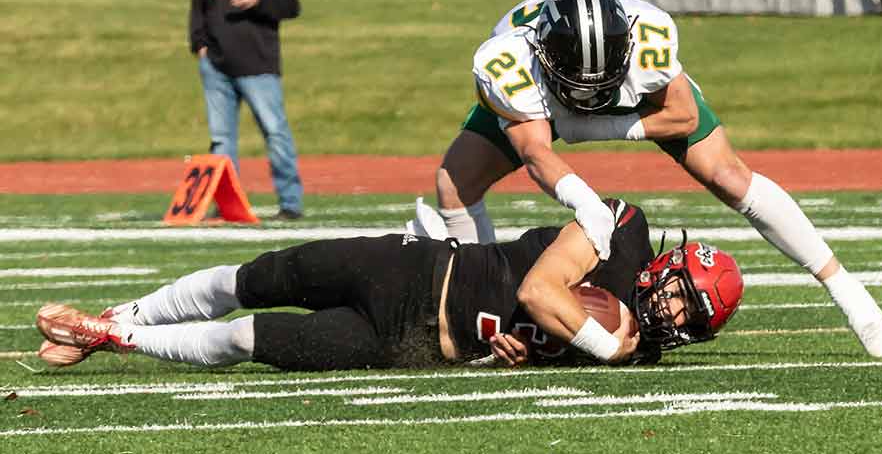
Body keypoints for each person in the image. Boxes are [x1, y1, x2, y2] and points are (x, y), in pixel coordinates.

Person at [434, 0, 882, 358]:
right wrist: (587, 202)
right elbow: (536, 151)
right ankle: (482, 312)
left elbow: (683, 116)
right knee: (456, 181)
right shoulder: (509, 61)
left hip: (623, 98)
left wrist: (582, 126)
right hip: (546, 99)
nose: (592, 89)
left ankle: (848, 292)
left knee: (729, 176)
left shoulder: (647, 39)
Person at [34, 201, 743, 371]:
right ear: (664, 266)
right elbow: (538, 293)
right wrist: (592, 341)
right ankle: (130, 311)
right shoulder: (622, 231)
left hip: (407, 341)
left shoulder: (639, 352)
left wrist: (508, 361)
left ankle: (111, 335)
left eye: (690, 313)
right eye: (680, 290)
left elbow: (527, 337)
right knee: (252, 279)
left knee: (250, 338)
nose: (671, 308)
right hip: (413, 269)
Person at [189, 0, 304, 219]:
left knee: (275, 132)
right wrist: (199, 45)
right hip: (216, 65)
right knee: (221, 140)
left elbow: (291, 6)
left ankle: (290, 203)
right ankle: (226, 205)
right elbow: (197, 10)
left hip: (258, 64)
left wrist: (259, 0)